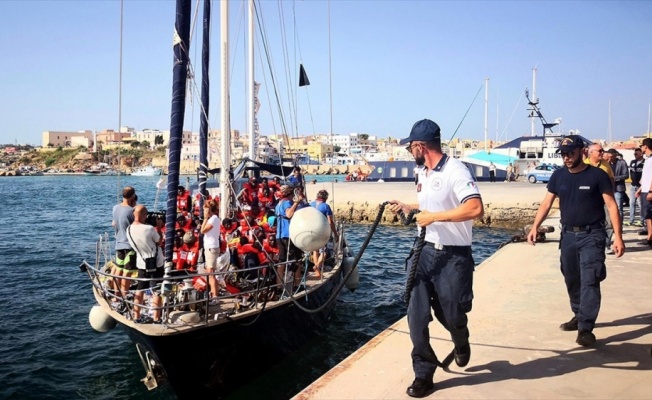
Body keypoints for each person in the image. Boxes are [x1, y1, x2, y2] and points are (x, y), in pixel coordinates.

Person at [387, 119, 484, 398]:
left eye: (410, 147)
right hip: (424, 251)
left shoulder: (456, 171)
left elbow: (475, 207)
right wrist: (409, 206)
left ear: (420, 146)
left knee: (452, 314)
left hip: (454, 257)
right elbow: (430, 204)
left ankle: (461, 340)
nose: (409, 151)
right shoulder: (423, 172)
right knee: (416, 316)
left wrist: (433, 217)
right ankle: (423, 374)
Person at [527, 135, 624, 348]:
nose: (567, 157)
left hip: (593, 235)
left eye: (570, 153)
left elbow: (611, 206)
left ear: (582, 152)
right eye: (563, 154)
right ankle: (579, 314)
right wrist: (534, 227)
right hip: (568, 236)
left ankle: (586, 328)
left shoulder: (597, 176)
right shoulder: (558, 176)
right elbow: (546, 203)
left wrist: (618, 236)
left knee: (590, 279)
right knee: (571, 278)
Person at [126, 205, 164, 322]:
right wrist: (158, 227)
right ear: (143, 215)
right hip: (156, 263)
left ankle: (136, 316)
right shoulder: (149, 229)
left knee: (140, 289)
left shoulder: (128, 230)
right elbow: (159, 241)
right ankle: (156, 318)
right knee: (157, 289)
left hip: (141, 263)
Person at [274, 184, 308, 295]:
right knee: (297, 260)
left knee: (282, 261)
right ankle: (296, 285)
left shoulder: (278, 204)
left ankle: (279, 286)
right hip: (288, 235)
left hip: (279, 235)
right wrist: (296, 203)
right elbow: (289, 214)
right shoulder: (287, 203)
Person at [112, 186, 138, 296]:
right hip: (129, 246)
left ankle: (116, 297)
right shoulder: (132, 211)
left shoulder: (115, 208)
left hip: (119, 244)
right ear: (132, 196)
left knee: (118, 271)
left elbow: (114, 223)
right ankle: (124, 297)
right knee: (127, 274)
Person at [309, 190, 339, 278]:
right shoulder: (326, 206)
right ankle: (317, 266)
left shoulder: (311, 205)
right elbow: (330, 222)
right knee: (324, 251)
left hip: (312, 230)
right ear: (325, 197)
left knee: (315, 250)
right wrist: (335, 234)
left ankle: (318, 272)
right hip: (322, 231)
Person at [200, 199, 222, 299]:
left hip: (211, 249)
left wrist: (205, 219)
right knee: (211, 273)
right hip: (209, 248)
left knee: (211, 274)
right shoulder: (213, 219)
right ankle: (214, 293)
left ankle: (215, 296)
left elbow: (203, 230)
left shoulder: (213, 219)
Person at [635, 138, 652, 244]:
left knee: (650, 214)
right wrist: (640, 189)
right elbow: (646, 177)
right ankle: (650, 236)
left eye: (642, 146)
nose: (641, 148)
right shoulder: (647, 159)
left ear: (645, 146)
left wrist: (651, 191)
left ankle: (650, 237)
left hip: (649, 191)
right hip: (645, 190)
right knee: (647, 215)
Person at [606, 149, 628, 225]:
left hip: (618, 188)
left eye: (611, 157)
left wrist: (614, 178)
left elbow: (626, 175)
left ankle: (619, 225)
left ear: (615, 155)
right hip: (608, 189)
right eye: (608, 157)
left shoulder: (622, 163)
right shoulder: (606, 163)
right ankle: (611, 225)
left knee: (619, 208)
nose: (610, 158)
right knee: (608, 208)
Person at [627, 147, 645, 226]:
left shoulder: (645, 162)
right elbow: (631, 172)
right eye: (634, 154)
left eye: (636, 153)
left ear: (641, 153)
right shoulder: (632, 162)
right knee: (631, 203)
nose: (635, 155)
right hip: (633, 185)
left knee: (640, 204)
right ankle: (631, 220)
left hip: (641, 186)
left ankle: (642, 220)